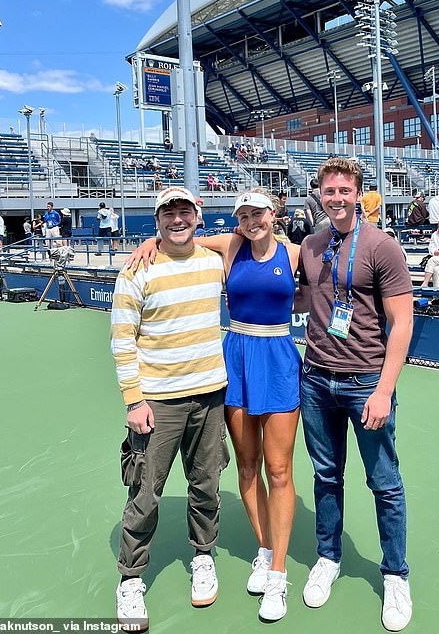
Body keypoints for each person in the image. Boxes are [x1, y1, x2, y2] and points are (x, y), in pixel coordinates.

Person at [127, 189, 302, 622]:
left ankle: (278, 572)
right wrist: (150, 241)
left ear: (273, 213)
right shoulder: (230, 244)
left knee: (278, 470)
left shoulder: (297, 252)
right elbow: (184, 239)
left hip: (278, 360)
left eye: (257, 212)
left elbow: (327, 288)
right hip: (236, 361)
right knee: (246, 467)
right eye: (242, 214)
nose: (250, 220)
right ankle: (264, 549)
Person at [293, 156, 414, 632]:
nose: (337, 199)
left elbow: (402, 322)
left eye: (346, 191)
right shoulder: (311, 244)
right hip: (317, 378)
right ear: (320, 195)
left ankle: (395, 574)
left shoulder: (382, 247)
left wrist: (384, 390)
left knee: (384, 482)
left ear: (359, 194)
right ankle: (328, 557)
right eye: (330, 191)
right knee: (326, 476)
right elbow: (307, 297)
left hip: (366, 382)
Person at [111, 186, 229, 631]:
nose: (177, 220)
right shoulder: (137, 270)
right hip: (157, 402)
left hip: (209, 395)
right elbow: (122, 339)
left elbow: (250, 241)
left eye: (185, 212)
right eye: (168, 214)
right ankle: (130, 578)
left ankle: (203, 556)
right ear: (156, 220)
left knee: (207, 485)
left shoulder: (213, 263)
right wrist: (134, 399)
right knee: (145, 492)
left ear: (198, 218)